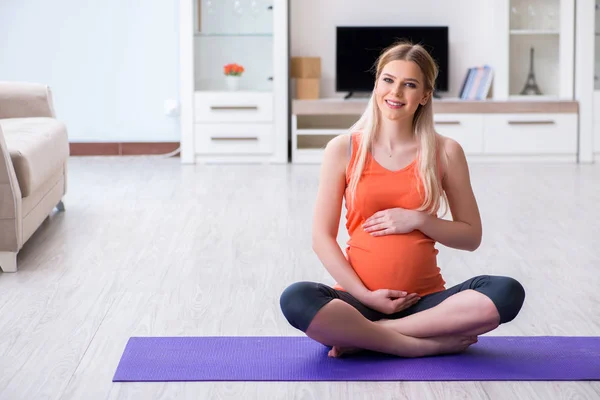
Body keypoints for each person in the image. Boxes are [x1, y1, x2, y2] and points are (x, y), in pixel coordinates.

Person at [279, 42, 525, 358]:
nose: (396, 92)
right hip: (359, 303)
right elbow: (321, 238)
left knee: (506, 292)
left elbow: (471, 237)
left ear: (424, 95)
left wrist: (419, 219)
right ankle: (412, 346)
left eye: (409, 84)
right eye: (388, 80)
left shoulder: (446, 152)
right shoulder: (343, 149)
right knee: (296, 299)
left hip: (426, 305)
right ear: (377, 83)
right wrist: (366, 297)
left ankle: (370, 337)